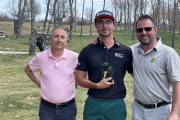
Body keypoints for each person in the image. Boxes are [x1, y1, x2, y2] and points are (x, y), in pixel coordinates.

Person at [75, 10, 133, 120]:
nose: (104, 26)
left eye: (108, 22)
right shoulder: (87, 50)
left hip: (116, 104)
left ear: (114, 25)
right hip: (93, 103)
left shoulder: (126, 51)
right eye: (100, 23)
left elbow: (137, 75)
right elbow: (78, 79)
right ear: (96, 26)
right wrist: (96, 86)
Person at [131, 14, 180, 120]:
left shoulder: (168, 54)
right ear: (136, 32)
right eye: (140, 30)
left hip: (161, 110)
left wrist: (174, 113)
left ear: (155, 29)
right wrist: (98, 41)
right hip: (137, 109)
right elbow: (114, 48)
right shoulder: (132, 50)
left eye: (147, 29)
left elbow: (177, 84)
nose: (143, 32)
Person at [24, 27, 78, 120]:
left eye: (62, 37)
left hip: (68, 108)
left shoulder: (74, 57)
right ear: (49, 40)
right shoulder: (41, 57)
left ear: (66, 41)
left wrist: (75, 83)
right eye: (56, 36)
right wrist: (40, 84)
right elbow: (28, 70)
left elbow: (83, 73)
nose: (59, 40)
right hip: (47, 109)